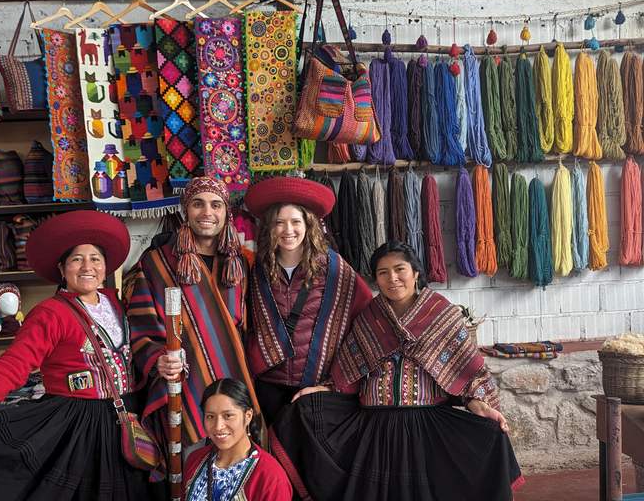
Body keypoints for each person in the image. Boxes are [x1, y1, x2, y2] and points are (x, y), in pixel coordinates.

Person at [0, 210, 165, 501]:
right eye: (76, 259)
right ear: (62, 268)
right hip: (78, 421)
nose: (87, 266)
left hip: (127, 416)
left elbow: (138, 349)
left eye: (95, 258)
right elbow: (15, 363)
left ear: (105, 266)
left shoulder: (116, 303)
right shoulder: (50, 313)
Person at [269, 241, 524, 501]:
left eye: (400, 269)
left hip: (428, 425)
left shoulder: (441, 314)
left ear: (415, 273)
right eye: (382, 272)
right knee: (300, 414)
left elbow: (465, 371)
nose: (392, 278)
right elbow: (350, 365)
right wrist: (324, 388)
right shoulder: (370, 316)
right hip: (374, 426)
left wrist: (478, 405)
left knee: (487, 440)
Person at [128, 177, 258, 456]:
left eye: (216, 205)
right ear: (185, 211)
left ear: (227, 213)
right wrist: (157, 359)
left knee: (237, 463)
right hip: (185, 382)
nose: (207, 213)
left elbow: (248, 327)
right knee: (192, 464)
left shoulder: (239, 264)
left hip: (235, 376)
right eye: (198, 204)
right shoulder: (157, 263)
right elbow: (140, 324)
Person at [242, 176, 373, 425]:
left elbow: (367, 320)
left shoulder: (335, 269)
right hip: (268, 385)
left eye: (295, 222)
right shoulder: (257, 269)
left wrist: (337, 379)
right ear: (270, 227)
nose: (288, 230)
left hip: (316, 386)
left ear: (308, 224)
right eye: (280, 222)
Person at [182, 378, 292, 501]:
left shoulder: (271, 478)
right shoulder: (195, 459)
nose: (218, 426)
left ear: (248, 416)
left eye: (228, 416)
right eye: (210, 416)